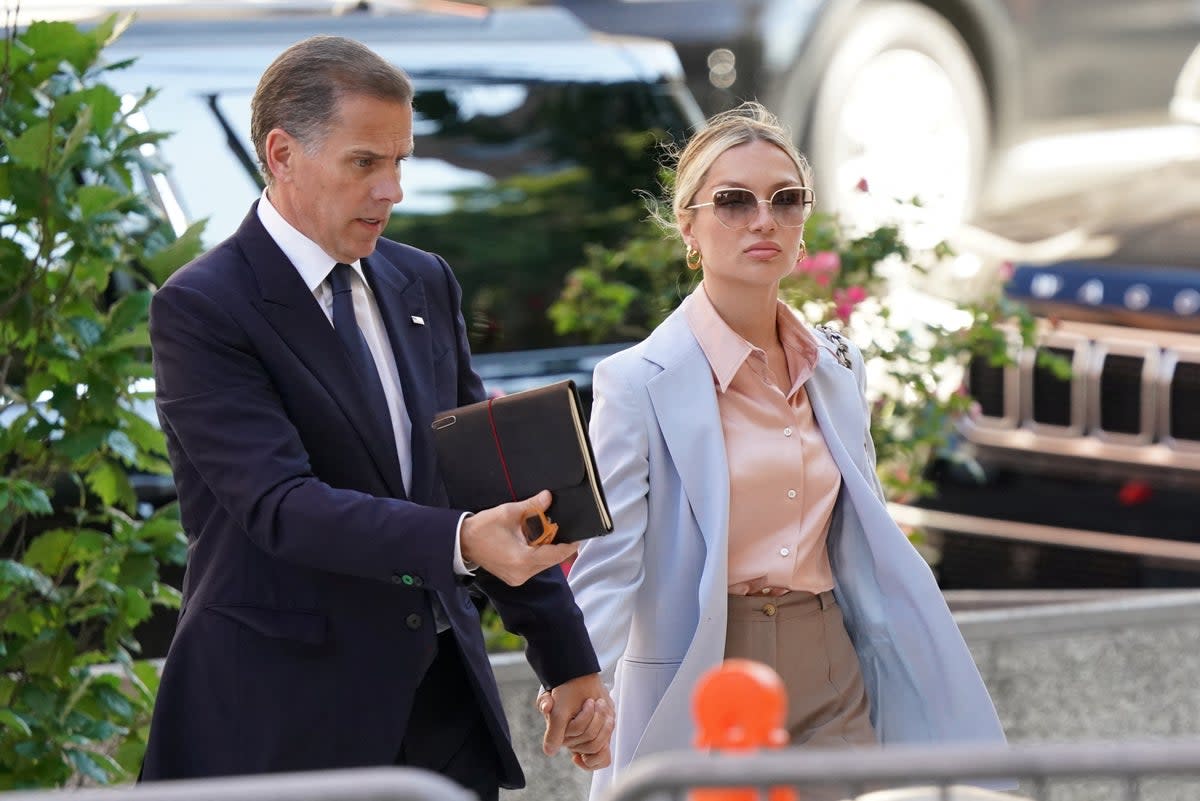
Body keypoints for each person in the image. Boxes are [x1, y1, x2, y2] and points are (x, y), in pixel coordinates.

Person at [141, 35, 612, 799]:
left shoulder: (422, 280)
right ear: (282, 154)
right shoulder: (202, 307)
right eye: (366, 162)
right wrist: (459, 540)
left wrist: (571, 660)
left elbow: (485, 478)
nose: (392, 189)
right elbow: (280, 506)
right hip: (284, 723)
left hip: (442, 713)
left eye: (401, 161)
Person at [558, 102, 1006, 800]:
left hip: (830, 660)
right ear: (689, 224)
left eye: (785, 199)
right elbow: (611, 560)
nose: (763, 219)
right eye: (733, 201)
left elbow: (863, 523)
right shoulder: (636, 381)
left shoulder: (838, 362)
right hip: (705, 669)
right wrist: (579, 676)